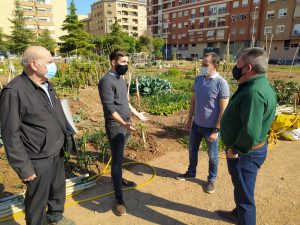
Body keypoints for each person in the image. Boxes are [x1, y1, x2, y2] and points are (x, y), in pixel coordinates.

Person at [0, 46, 75, 225]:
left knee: (57, 189)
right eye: (49, 62)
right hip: (37, 157)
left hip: (56, 150)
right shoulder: (14, 91)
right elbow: (10, 134)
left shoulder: (46, 85)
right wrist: (24, 168)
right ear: (34, 64)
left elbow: (55, 113)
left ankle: (55, 217)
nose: (53, 65)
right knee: (37, 200)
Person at [216, 47, 276, 225]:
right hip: (248, 151)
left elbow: (250, 130)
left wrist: (236, 149)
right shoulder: (258, 84)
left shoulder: (253, 93)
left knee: (245, 198)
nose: (235, 67)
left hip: (245, 153)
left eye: (238, 64)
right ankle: (237, 214)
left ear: (248, 68)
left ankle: (244, 217)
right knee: (242, 188)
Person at [98, 49, 147, 216]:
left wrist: (137, 114)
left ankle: (119, 180)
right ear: (113, 62)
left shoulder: (120, 79)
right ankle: (119, 199)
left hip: (126, 123)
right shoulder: (106, 81)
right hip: (116, 125)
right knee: (117, 161)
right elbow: (110, 109)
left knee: (120, 155)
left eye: (127, 62)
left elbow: (125, 102)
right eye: (123, 62)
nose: (126, 65)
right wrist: (124, 124)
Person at [176, 52, 230, 194]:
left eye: (205, 65)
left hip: (211, 127)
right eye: (202, 64)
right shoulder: (198, 79)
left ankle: (211, 179)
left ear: (215, 66)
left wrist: (216, 130)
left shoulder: (221, 83)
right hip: (196, 125)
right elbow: (194, 101)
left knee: (212, 155)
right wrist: (189, 120)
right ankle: (191, 172)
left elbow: (223, 110)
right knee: (192, 150)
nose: (202, 67)